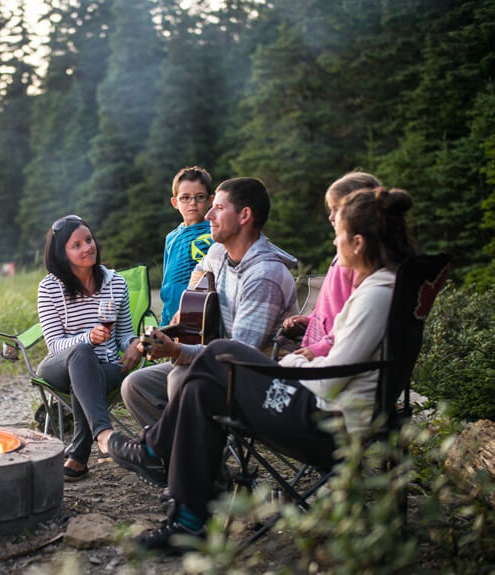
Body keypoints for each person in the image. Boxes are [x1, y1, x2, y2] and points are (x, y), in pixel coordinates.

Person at [108, 187, 417, 551]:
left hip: (329, 422)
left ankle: (155, 457)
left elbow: (332, 376)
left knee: (219, 356)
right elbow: (341, 358)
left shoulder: (377, 294)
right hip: (323, 406)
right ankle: (187, 520)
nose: (335, 242)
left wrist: (294, 360)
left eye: (339, 234)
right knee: (206, 380)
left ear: (359, 242)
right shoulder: (382, 286)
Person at [121, 177, 298, 429]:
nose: (208, 215)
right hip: (218, 365)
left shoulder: (265, 276)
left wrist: (176, 351)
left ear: (244, 215)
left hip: (256, 380)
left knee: (181, 378)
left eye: (219, 208)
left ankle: (188, 463)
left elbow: (238, 354)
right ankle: (174, 461)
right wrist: (187, 308)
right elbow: (199, 271)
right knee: (135, 386)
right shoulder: (219, 252)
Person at [37, 215, 141, 481]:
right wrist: (88, 338)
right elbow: (54, 344)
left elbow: (124, 333)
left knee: (83, 377)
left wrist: (134, 344)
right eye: (77, 245)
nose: (87, 247)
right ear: (62, 254)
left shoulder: (115, 283)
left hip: (103, 368)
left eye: (89, 240)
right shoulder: (50, 287)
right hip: (58, 364)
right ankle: (104, 434)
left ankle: (80, 457)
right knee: (81, 356)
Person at [282, 171, 382, 360]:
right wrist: (309, 320)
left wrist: (319, 350)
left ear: (358, 211)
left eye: (336, 209)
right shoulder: (344, 252)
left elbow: (354, 323)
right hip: (321, 349)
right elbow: (335, 307)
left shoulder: (359, 261)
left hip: (331, 357)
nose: (331, 217)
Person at [159, 166, 214, 326]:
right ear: (175, 202)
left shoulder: (214, 233)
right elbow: (167, 283)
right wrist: (164, 319)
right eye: (185, 197)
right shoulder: (171, 237)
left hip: (198, 317)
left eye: (200, 197)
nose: (193, 203)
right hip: (170, 316)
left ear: (211, 200)